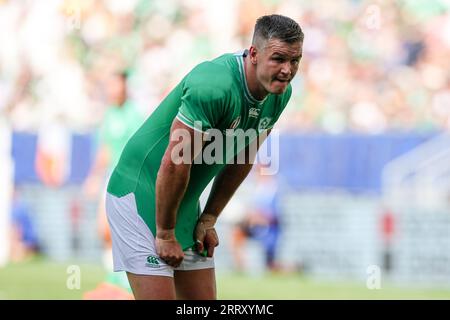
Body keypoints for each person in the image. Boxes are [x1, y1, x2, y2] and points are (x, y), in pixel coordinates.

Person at [105, 14, 304, 300]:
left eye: (295, 60)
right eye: (279, 59)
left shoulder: (279, 94)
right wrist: (165, 233)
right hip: (140, 193)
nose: (287, 70)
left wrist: (208, 218)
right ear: (254, 54)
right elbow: (175, 161)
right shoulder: (214, 85)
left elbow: (243, 157)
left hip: (182, 201)